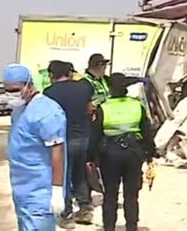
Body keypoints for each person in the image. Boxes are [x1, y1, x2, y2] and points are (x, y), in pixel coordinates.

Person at [87, 73, 155, 231]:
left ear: (110, 88)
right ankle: (132, 226)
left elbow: (95, 134)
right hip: (133, 153)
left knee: (110, 194)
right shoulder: (137, 105)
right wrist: (150, 153)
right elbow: (146, 131)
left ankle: (109, 227)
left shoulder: (104, 107)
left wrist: (91, 157)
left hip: (110, 155)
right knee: (131, 195)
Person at [5, 64, 66, 231]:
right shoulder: (20, 110)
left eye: (15, 90)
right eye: (7, 90)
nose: (11, 95)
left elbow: (58, 151)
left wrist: (57, 191)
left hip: (40, 194)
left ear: (29, 86)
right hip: (22, 192)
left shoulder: (47, 112)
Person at [44, 62, 93, 228]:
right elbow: (89, 109)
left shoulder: (49, 93)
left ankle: (67, 214)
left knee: (64, 176)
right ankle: (85, 207)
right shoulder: (84, 88)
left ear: (52, 75)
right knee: (80, 174)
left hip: (65, 139)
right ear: (69, 72)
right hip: (84, 138)